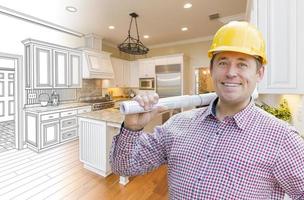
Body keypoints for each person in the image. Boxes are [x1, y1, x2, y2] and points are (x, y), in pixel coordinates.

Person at [110, 21, 304, 199]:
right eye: (223, 62)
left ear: (259, 73)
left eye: (242, 64)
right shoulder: (177, 124)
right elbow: (123, 166)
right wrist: (131, 129)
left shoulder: (282, 139)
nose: (230, 72)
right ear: (211, 70)